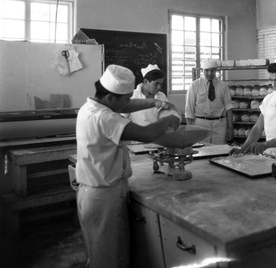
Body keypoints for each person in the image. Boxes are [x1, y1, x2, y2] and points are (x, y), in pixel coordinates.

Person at [76, 64, 198, 268]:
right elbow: (147, 134)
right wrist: (169, 120)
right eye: (124, 99)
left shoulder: (91, 106)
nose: (127, 104)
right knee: (110, 258)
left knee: (99, 254)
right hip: (104, 196)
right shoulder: (105, 118)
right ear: (110, 98)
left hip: (92, 191)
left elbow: (125, 105)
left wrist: (155, 102)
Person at [185, 58, 233, 144]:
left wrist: (230, 128)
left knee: (220, 152)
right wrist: (190, 130)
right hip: (200, 124)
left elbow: (229, 108)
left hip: (220, 124)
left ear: (216, 70)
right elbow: (189, 110)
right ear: (202, 70)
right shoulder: (194, 85)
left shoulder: (223, 85)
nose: (210, 73)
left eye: (212, 71)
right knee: (202, 152)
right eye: (206, 71)